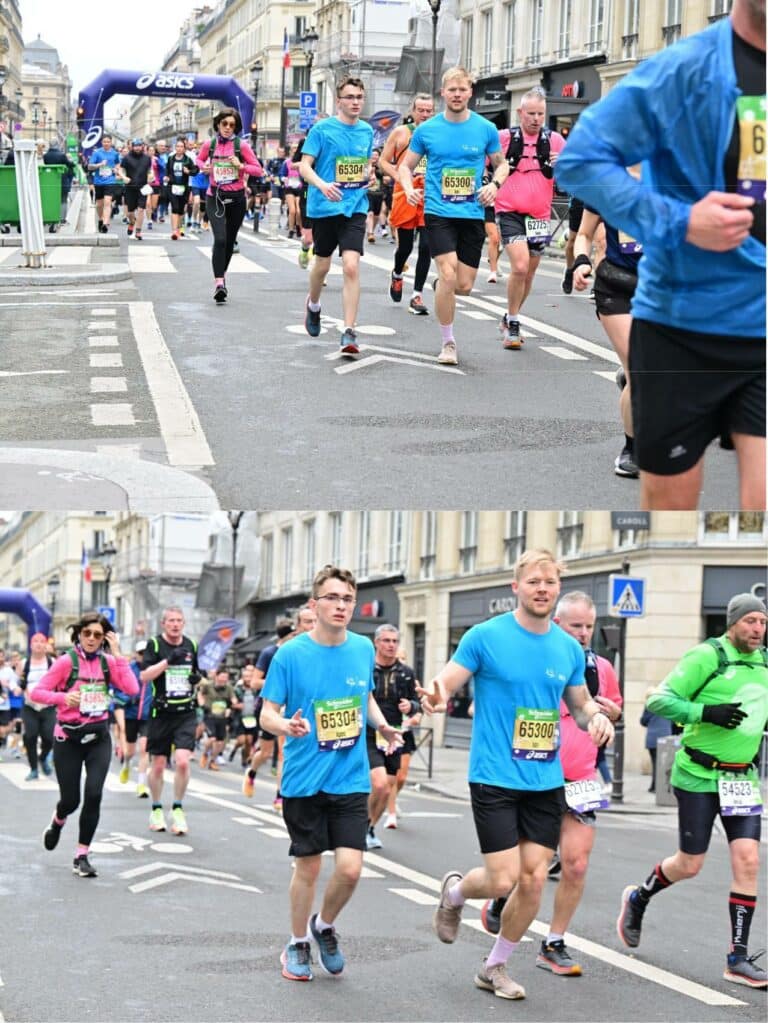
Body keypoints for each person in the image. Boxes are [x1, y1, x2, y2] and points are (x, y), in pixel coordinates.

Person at [555, 0, 766, 510]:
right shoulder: (685, 71)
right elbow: (581, 161)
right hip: (681, 329)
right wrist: (680, 221)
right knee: (671, 508)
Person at [417, 549, 614, 1000]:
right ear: (516, 587)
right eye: (533, 582)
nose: (542, 589)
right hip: (494, 775)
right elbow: (447, 680)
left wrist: (595, 717)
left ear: (558, 587)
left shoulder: (567, 648)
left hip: (545, 780)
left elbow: (580, 703)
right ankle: (454, 893)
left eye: (549, 582)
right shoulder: (485, 636)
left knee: (531, 879)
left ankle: (495, 966)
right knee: (503, 878)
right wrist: (435, 695)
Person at [259, 564, 403, 981]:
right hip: (304, 778)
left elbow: (365, 698)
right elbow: (267, 712)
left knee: (351, 868)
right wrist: (285, 725)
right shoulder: (290, 655)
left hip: (350, 777)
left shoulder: (361, 649)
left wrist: (382, 726)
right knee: (307, 868)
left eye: (347, 599)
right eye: (332, 598)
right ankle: (297, 943)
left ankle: (324, 925)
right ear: (314, 604)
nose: (341, 606)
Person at [617, 592, 768, 988]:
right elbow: (660, 701)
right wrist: (706, 713)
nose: (757, 629)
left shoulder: (765, 662)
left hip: (741, 780)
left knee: (749, 860)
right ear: (732, 622)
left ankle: (737, 957)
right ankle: (639, 898)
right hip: (699, 775)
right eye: (750, 621)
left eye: (763, 622)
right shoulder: (707, 657)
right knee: (690, 863)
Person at [479, 591, 622, 978]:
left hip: (580, 778)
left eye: (589, 626)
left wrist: (608, 713)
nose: (583, 633)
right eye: (576, 625)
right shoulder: (532, 656)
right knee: (528, 868)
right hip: (534, 777)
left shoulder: (602, 668)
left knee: (575, 865)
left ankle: (553, 942)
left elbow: (614, 705)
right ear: (558, 623)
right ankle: (501, 897)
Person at [398, 67, 507, 366]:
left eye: (462, 89)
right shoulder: (426, 130)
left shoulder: (485, 128)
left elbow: (502, 164)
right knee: (448, 274)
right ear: (443, 93)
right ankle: (448, 342)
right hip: (438, 212)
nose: (457, 94)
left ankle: (439, 288)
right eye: (452, 90)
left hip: (471, 213)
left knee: (464, 286)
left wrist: (494, 186)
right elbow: (405, 166)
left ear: (470, 92)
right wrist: (408, 189)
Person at [29, 612, 138, 877]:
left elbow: (133, 689)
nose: (91, 639)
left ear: (104, 638)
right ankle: (57, 821)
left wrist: (119, 655)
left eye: (97, 635)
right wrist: (64, 698)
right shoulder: (66, 662)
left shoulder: (109, 662)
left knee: (94, 795)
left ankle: (81, 855)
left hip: (98, 739)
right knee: (71, 800)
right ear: (79, 634)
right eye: (87, 633)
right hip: (69, 740)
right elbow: (36, 692)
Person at [299, 77, 374, 356]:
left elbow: (365, 165)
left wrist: (368, 177)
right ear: (339, 101)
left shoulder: (367, 131)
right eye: (350, 97)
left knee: (352, 266)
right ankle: (314, 305)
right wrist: (322, 185)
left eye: (359, 97)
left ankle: (348, 331)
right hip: (325, 206)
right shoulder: (322, 129)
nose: (356, 102)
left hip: (355, 206)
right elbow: (305, 166)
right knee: (322, 265)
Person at [572, 196, 642, 479]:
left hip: (665, 290)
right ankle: (633, 449)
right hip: (617, 286)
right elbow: (584, 234)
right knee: (642, 369)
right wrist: (581, 262)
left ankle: (630, 378)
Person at [494, 87, 566, 350]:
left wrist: (564, 165)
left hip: (540, 214)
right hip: (509, 210)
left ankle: (509, 315)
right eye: (531, 114)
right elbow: (483, 161)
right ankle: (513, 321)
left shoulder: (555, 140)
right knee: (520, 266)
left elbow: (572, 174)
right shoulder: (503, 137)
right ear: (520, 113)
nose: (536, 119)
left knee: (530, 272)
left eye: (541, 114)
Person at [140, 606, 200, 836]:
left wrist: (197, 679)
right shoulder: (155, 645)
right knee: (158, 764)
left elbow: (196, 673)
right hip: (162, 713)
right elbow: (144, 676)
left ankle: (177, 808)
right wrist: (167, 662)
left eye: (179, 621)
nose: (175, 624)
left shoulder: (191, 645)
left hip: (185, 712)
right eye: (171, 621)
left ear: (183, 624)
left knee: (183, 762)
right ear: (164, 624)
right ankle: (156, 808)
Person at [196, 108, 263, 303]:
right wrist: (204, 167)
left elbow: (258, 170)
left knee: (229, 241)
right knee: (220, 239)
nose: (227, 128)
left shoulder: (241, 146)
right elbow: (199, 159)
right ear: (218, 124)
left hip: (237, 199)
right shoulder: (210, 144)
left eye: (232, 125)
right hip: (215, 196)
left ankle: (222, 276)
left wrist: (241, 166)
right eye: (224, 123)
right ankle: (219, 283)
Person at [380, 94, 436, 316]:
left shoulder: (438, 133)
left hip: (429, 194)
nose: (424, 114)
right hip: (405, 193)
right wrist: (399, 176)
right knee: (405, 246)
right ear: (412, 111)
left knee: (426, 247)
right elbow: (384, 160)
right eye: (420, 110)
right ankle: (397, 274)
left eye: (428, 110)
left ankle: (417, 294)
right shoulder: (401, 133)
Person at [365, 624, 420, 848]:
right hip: (370, 732)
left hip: (395, 735)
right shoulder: (366, 669)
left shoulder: (406, 673)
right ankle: (361, 826)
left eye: (395, 641)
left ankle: (369, 828)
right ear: (376, 643)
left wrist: (412, 706)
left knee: (388, 787)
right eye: (386, 641)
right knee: (378, 784)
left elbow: (418, 704)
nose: (391, 645)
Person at [242, 618, 295, 799]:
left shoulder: (299, 652)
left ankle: (280, 795)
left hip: (290, 708)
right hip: (269, 707)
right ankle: (252, 771)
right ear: (287, 636)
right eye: (294, 634)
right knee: (265, 753)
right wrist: (280, 683)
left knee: (282, 752)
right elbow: (254, 682)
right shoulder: (269, 652)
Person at [18, 633, 56, 780]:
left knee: (49, 738)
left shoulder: (52, 662)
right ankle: (33, 769)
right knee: (30, 737)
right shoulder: (24, 663)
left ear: (46, 645)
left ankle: (43, 757)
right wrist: (17, 688)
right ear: (30, 645)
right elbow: (19, 682)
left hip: (48, 705)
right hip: (30, 706)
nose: (39, 644)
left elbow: (59, 681)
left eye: (42, 641)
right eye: (35, 641)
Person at [121, 640, 152, 797]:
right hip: (131, 715)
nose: (144, 656)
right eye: (141, 653)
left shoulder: (156, 670)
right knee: (130, 751)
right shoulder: (129, 669)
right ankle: (126, 764)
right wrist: (127, 699)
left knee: (145, 748)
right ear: (136, 654)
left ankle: (141, 784)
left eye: (147, 653)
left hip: (148, 716)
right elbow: (119, 688)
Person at [198, 668, 238, 770]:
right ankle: (205, 754)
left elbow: (233, 698)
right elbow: (200, 694)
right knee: (212, 738)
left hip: (222, 717)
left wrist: (233, 703)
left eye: (226, 678)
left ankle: (212, 761)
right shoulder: (208, 685)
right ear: (217, 676)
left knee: (220, 742)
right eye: (222, 677)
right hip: (210, 715)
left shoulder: (229, 688)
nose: (224, 679)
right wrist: (202, 704)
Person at [119, 138, 152, 241]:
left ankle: (138, 231)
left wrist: (151, 175)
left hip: (143, 187)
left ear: (142, 146)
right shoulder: (127, 158)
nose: (137, 148)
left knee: (141, 209)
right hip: (130, 187)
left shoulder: (147, 158)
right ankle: (132, 222)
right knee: (130, 213)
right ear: (132, 147)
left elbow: (150, 170)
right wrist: (124, 178)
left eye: (139, 146)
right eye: (135, 146)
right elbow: (121, 170)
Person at [640, 689, 672, 793]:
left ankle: (654, 786)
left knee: (655, 763)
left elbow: (643, 721)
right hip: (666, 738)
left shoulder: (649, 706)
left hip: (653, 738)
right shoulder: (667, 705)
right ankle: (661, 786)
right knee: (664, 763)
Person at [87, 134, 121, 234]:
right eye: (104, 142)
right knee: (99, 204)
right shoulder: (97, 153)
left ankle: (105, 223)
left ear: (111, 142)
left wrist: (116, 169)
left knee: (108, 202)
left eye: (108, 141)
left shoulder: (115, 154)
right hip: (98, 181)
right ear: (102, 143)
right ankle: (101, 219)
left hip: (110, 181)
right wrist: (100, 164)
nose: (106, 143)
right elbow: (89, 167)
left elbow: (118, 163)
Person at [164, 137, 196, 241]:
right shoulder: (171, 158)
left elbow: (195, 170)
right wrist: (167, 177)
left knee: (181, 210)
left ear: (184, 148)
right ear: (175, 147)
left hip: (184, 187)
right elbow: (167, 170)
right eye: (177, 146)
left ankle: (178, 228)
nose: (179, 148)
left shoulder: (187, 160)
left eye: (181, 146)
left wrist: (189, 172)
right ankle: (174, 231)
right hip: (172, 186)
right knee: (174, 208)